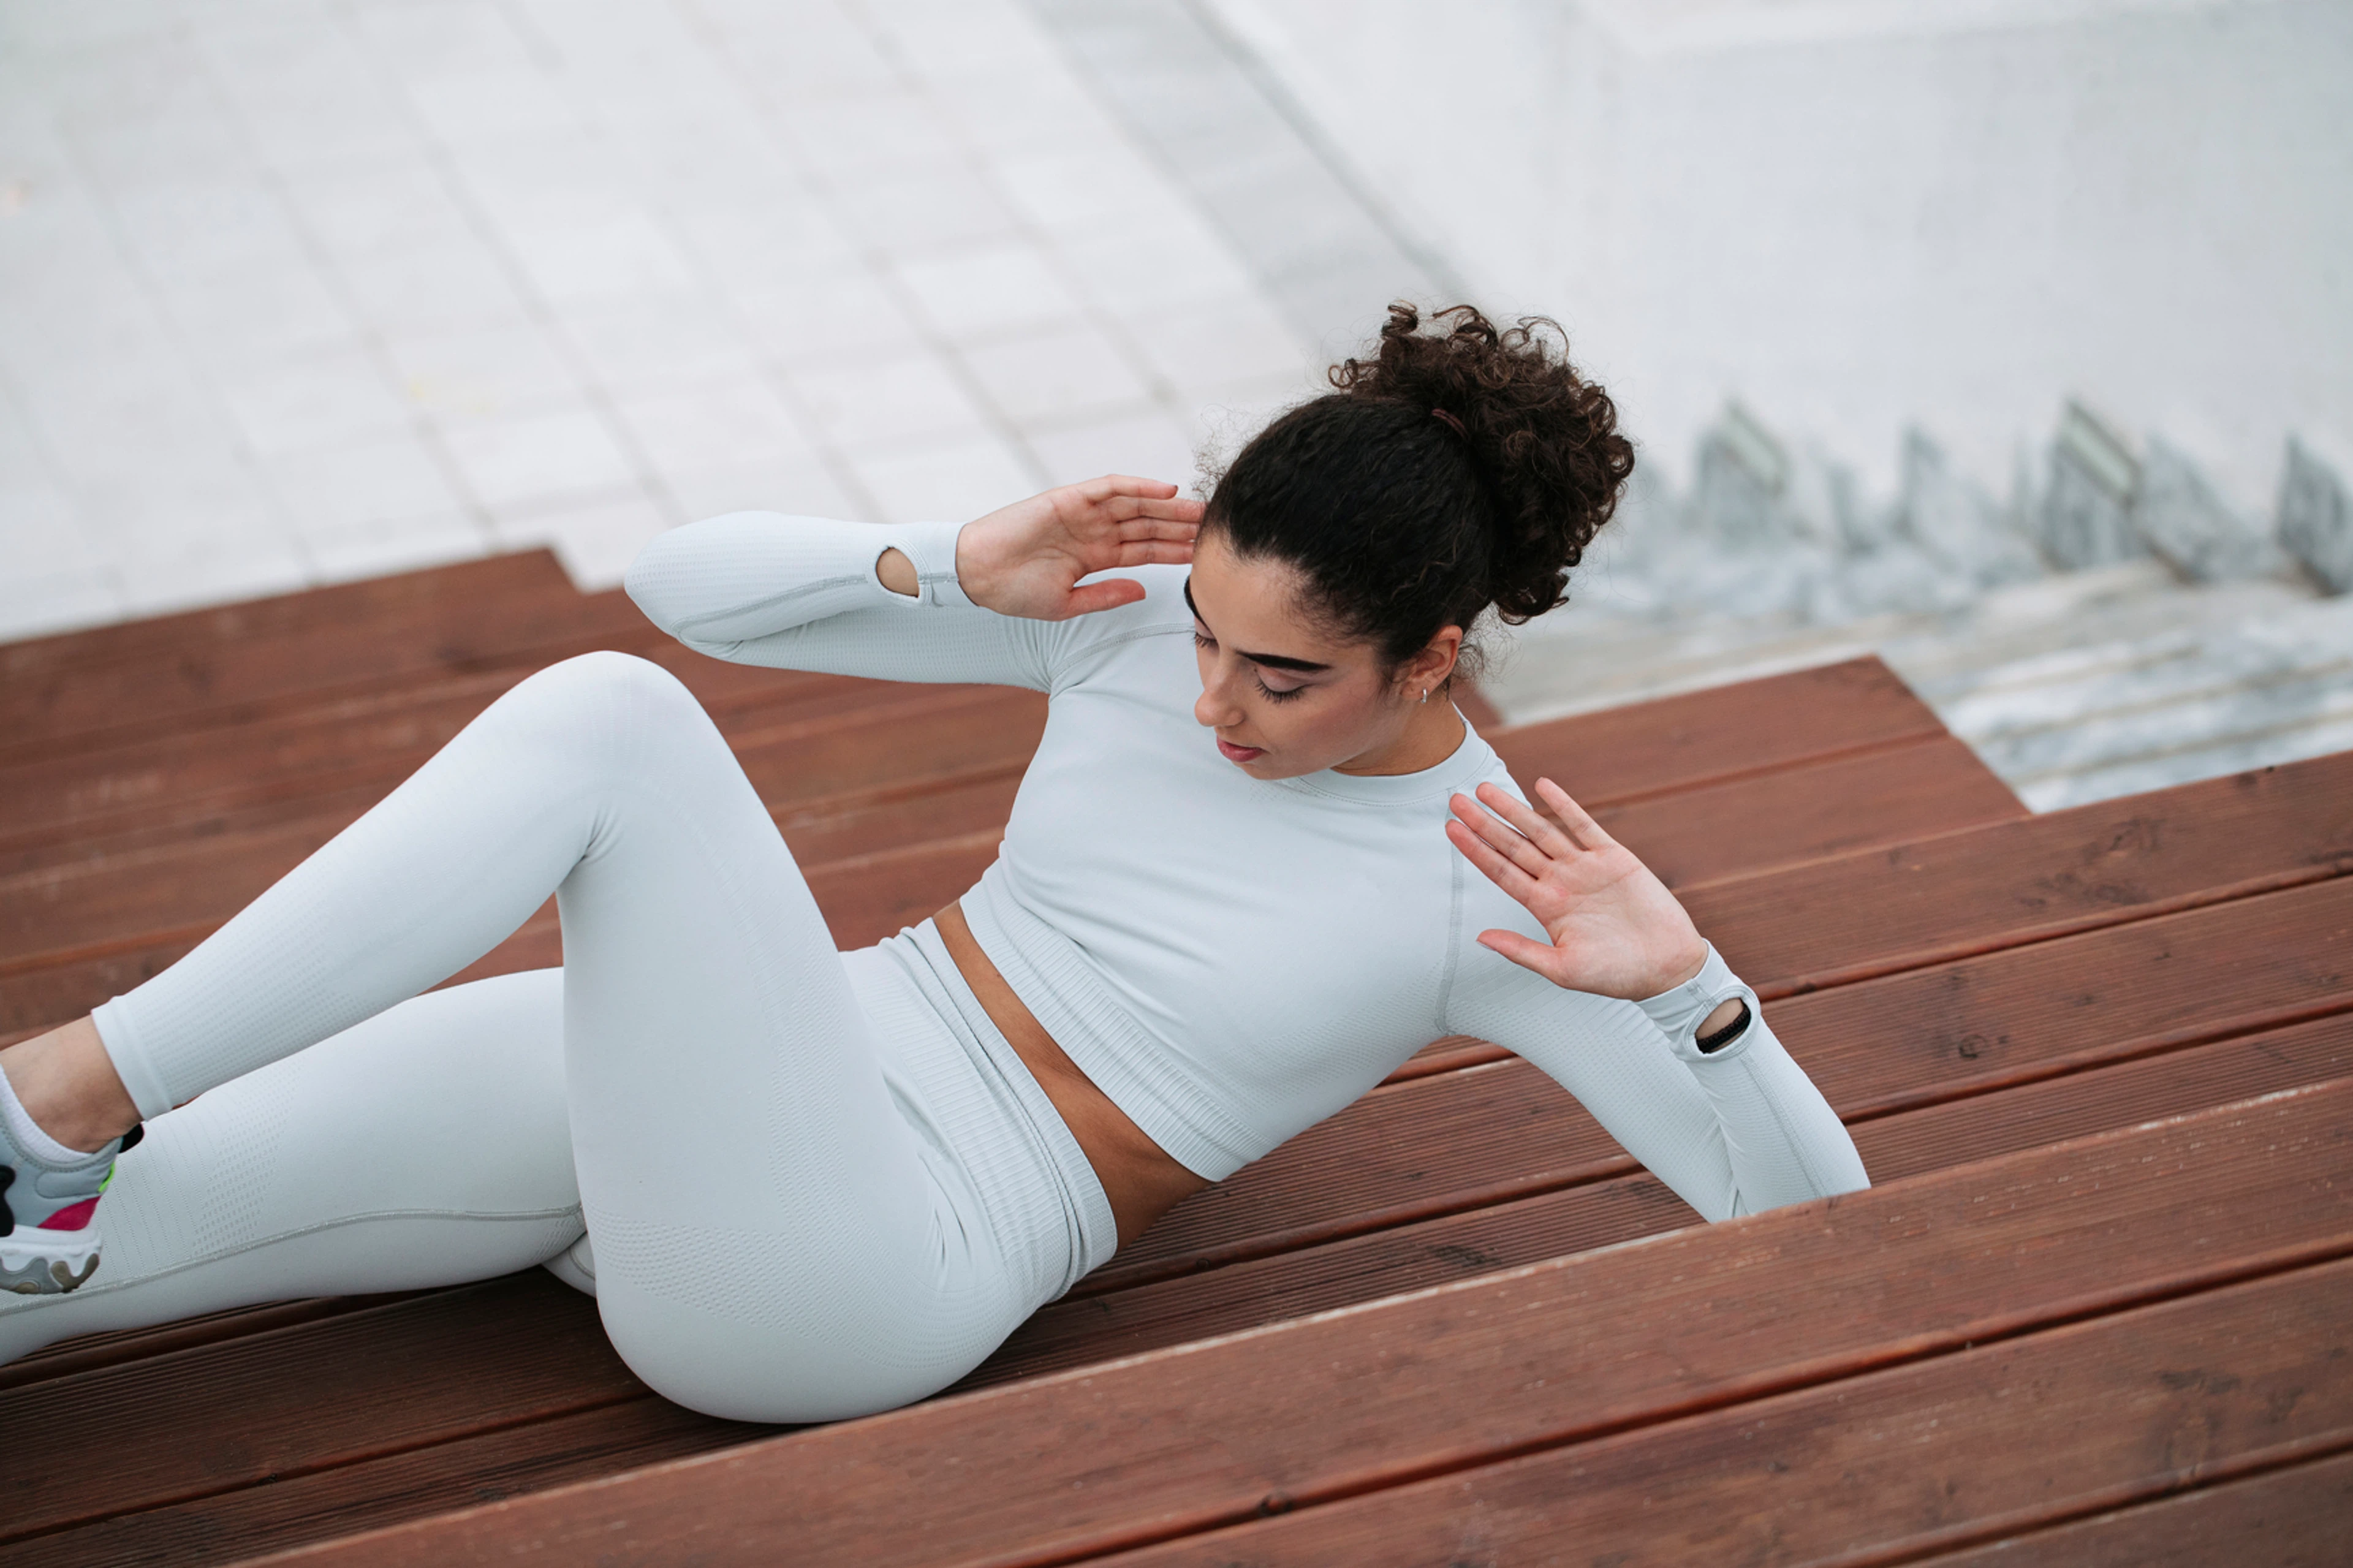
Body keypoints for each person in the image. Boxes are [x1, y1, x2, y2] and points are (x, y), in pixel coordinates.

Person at [0, 305, 1867, 1421]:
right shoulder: (1135, 623)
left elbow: (1826, 1238)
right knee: (74, 1247)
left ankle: (60, 1093)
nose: (1212, 693)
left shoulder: (1488, 879)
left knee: (617, 731)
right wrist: (945, 562)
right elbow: (679, 585)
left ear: (1434, 658)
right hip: (759, 1084)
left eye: (1285, 676)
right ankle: (56, 1144)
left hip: (869, 1262)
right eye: (1207, 633)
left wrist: (1695, 993)